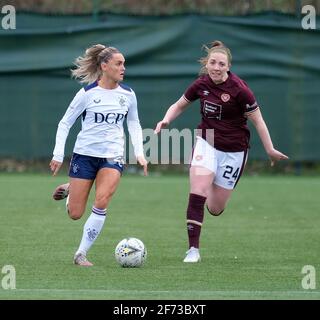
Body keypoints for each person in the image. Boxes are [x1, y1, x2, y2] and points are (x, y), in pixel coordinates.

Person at [154, 40, 288, 263]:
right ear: (207, 64)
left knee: (215, 208)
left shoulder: (240, 90)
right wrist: (166, 119)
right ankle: (193, 250)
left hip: (234, 151)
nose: (216, 67)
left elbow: (259, 121)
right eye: (213, 63)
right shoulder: (201, 84)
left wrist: (270, 149)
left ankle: (210, 192)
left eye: (221, 64)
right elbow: (178, 105)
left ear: (228, 67)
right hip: (206, 141)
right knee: (197, 191)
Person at [49, 44, 148, 266]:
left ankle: (81, 254)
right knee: (75, 213)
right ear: (104, 66)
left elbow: (134, 123)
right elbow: (65, 123)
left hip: (113, 156)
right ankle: (71, 188)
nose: (123, 68)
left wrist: (140, 153)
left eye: (124, 64)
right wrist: (57, 155)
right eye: (118, 64)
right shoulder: (86, 94)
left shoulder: (128, 95)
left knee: (102, 200)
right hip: (84, 155)